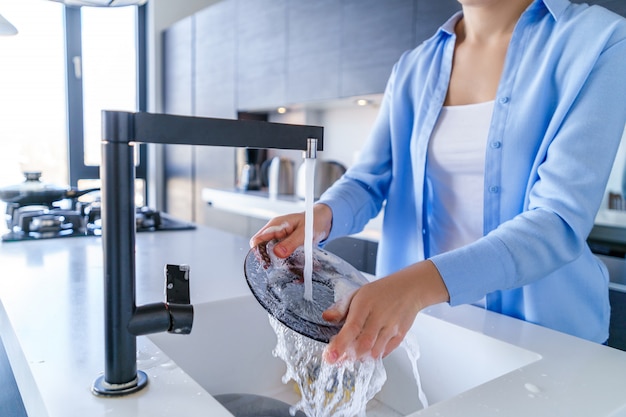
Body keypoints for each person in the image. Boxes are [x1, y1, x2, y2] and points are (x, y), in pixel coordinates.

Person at [250, 0, 626, 364]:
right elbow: (369, 179)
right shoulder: (414, 67)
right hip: (427, 327)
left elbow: (556, 221)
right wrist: (323, 214)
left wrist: (414, 286)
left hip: (547, 341)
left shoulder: (599, 41)